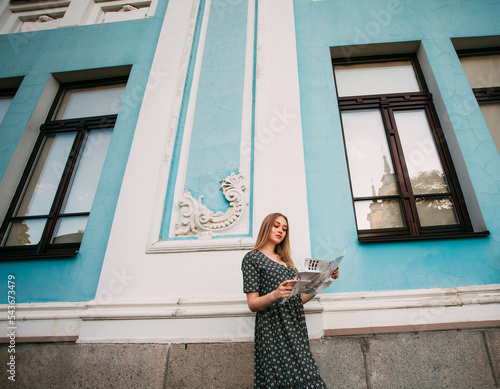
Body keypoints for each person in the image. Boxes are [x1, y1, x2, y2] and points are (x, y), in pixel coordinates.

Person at [241, 212, 339, 388]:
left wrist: (324, 280)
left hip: (296, 326)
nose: (281, 231)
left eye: (284, 229)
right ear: (266, 227)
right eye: (276, 226)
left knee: (308, 375)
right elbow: (252, 303)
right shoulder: (252, 258)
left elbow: (298, 300)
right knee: (282, 380)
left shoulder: (287, 262)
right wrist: (275, 294)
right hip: (273, 330)